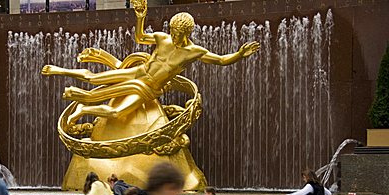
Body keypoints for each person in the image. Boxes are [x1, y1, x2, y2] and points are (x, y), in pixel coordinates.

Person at [41, 0, 259, 127]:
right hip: (138, 71)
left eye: (178, 33)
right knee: (93, 78)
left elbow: (220, 60)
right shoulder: (163, 38)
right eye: (172, 31)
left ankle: (82, 110)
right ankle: (59, 70)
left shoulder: (193, 52)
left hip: (149, 88)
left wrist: (239, 54)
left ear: (187, 32)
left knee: (116, 112)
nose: (173, 35)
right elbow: (140, 37)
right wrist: (140, 17)